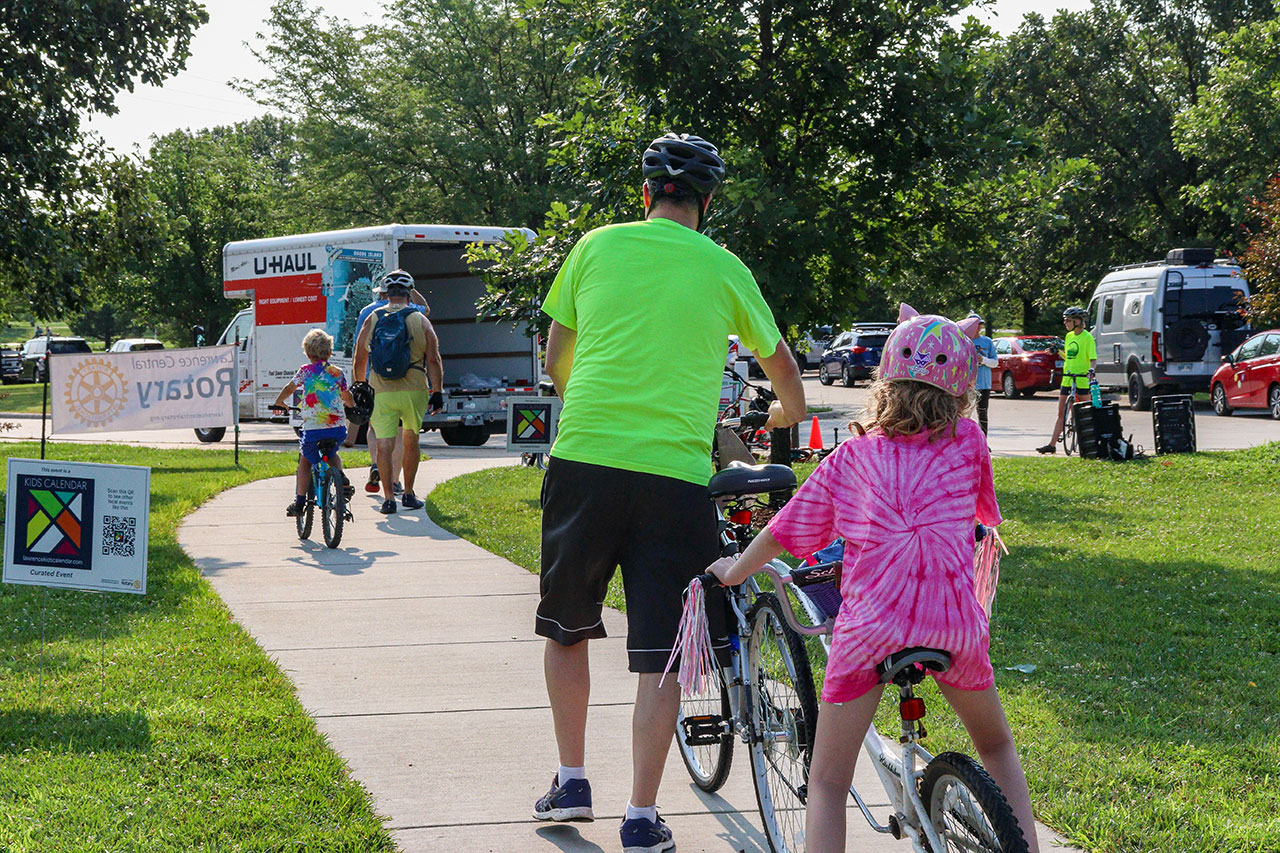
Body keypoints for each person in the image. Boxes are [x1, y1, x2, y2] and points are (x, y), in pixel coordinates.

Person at [531, 132, 806, 853]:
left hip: (584, 459)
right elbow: (789, 383)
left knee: (567, 626)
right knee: (663, 650)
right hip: (676, 477)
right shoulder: (724, 267)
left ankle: (571, 779)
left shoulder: (594, 245)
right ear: (706, 204)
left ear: (646, 194)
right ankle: (642, 815)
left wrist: (591, 404)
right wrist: (780, 415)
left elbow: (556, 354)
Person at [709, 305, 1040, 853]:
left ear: (886, 379)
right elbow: (981, 519)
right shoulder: (969, 446)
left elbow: (786, 534)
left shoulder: (852, 459)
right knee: (997, 747)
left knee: (829, 781)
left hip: (870, 633)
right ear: (961, 392)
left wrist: (733, 570)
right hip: (955, 626)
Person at [352, 269, 444, 514]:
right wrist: (438, 391)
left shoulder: (373, 317)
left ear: (386, 293)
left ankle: (389, 498)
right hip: (413, 388)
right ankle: (410, 494)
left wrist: (360, 386)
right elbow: (433, 358)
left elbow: (360, 356)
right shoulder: (420, 319)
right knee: (411, 440)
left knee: (383, 445)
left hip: (380, 390)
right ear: (409, 293)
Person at [271, 329, 355, 517]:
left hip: (314, 430)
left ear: (308, 354)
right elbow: (346, 395)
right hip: (337, 429)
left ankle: (300, 503)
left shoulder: (305, 371)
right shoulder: (337, 372)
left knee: (305, 461)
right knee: (333, 453)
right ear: (330, 352)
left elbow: (289, 387)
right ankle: (340, 478)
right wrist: (350, 404)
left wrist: (280, 401)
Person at [1037, 305, 1096, 454]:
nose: (1065, 323)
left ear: (1077, 321)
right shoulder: (1069, 337)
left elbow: (1093, 359)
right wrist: (1057, 352)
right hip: (1067, 379)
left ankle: (1087, 445)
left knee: (1084, 414)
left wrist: (1091, 371)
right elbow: (1069, 356)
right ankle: (1052, 445)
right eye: (1065, 320)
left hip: (1082, 379)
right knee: (1061, 413)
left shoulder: (1088, 338)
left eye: (1068, 320)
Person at [969, 311, 998, 435]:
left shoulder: (987, 342)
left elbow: (995, 362)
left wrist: (984, 360)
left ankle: (983, 441)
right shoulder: (964, 341)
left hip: (984, 384)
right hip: (967, 384)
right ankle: (964, 441)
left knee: (982, 413)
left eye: (980, 324)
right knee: (965, 414)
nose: (978, 327)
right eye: (975, 324)